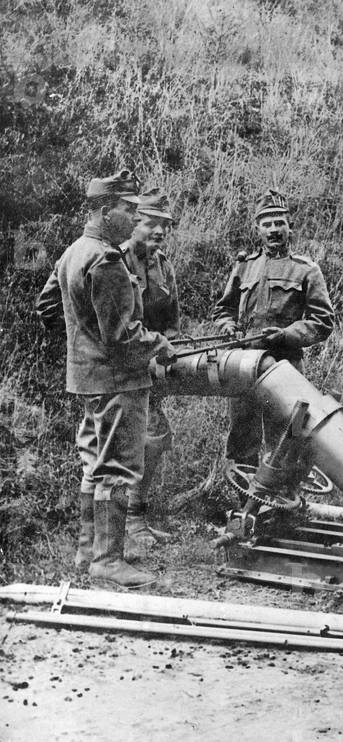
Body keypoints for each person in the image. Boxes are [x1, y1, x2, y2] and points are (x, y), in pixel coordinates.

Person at [35, 170, 174, 588]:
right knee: (117, 469)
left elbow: (47, 310)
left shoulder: (72, 252)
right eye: (126, 209)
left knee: (94, 463)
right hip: (119, 381)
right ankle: (108, 561)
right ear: (101, 210)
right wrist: (159, 344)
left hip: (87, 378)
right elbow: (123, 336)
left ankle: (85, 549)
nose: (133, 218)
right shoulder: (107, 259)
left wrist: (84, 342)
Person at [211, 189, 335, 469]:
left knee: (283, 441)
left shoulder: (306, 270)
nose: (274, 229)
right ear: (258, 229)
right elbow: (222, 309)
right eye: (267, 224)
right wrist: (228, 325)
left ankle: (278, 506)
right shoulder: (244, 267)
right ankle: (245, 501)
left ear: (290, 227)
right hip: (243, 367)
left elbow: (323, 321)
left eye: (279, 223)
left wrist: (287, 335)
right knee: (242, 438)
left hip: (284, 367)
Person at [118, 188, 178, 558]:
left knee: (153, 438)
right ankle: (126, 525)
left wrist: (167, 350)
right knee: (133, 442)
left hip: (150, 370)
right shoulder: (116, 261)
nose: (159, 231)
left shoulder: (162, 264)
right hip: (120, 371)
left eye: (165, 226)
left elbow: (171, 322)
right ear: (133, 223)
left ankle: (136, 518)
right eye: (151, 222)